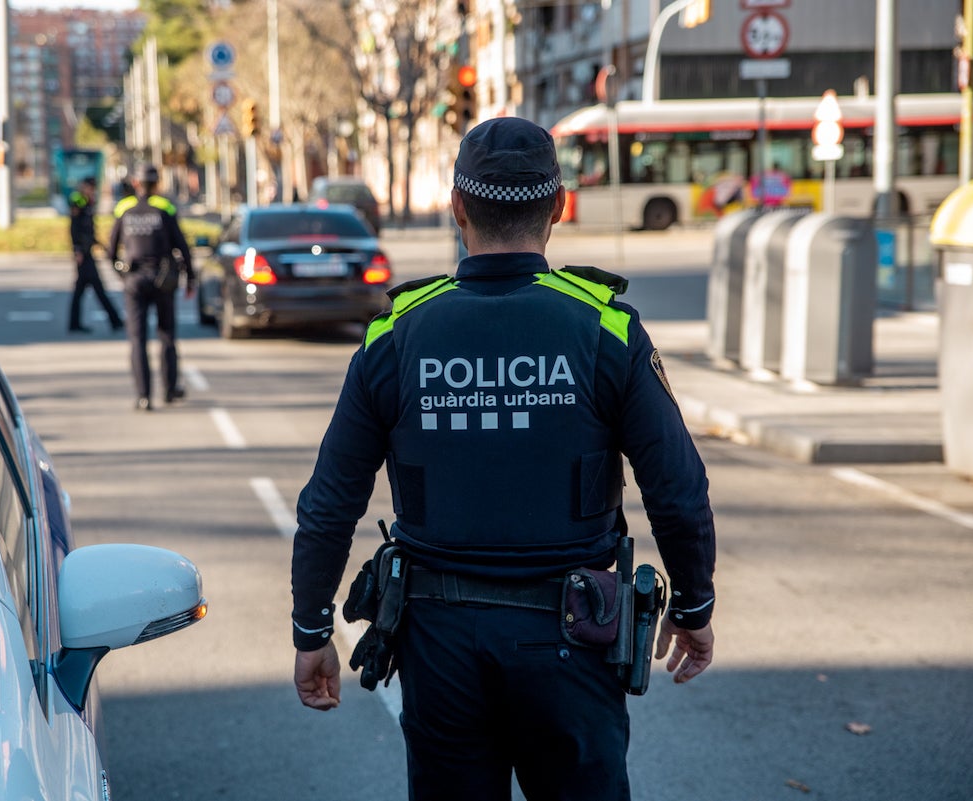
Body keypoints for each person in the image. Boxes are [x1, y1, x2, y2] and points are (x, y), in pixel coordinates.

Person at [290, 117, 716, 801]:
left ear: (457, 207)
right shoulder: (607, 328)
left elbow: (330, 498)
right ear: (558, 207)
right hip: (573, 643)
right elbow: (677, 486)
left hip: (440, 652)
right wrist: (694, 604)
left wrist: (312, 628)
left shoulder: (395, 335)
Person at [107, 164, 195, 412]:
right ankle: (169, 389)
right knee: (166, 336)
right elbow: (182, 246)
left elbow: (110, 251)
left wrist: (122, 275)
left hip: (134, 281)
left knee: (137, 340)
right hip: (163, 280)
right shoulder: (165, 208)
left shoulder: (124, 208)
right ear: (156, 183)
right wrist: (191, 277)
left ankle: (143, 396)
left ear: (137, 183)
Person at [67, 177, 124, 334]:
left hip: (87, 251)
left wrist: (100, 245)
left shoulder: (88, 202)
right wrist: (77, 249)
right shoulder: (78, 201)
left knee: (81, 290)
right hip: (83, 254)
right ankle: (115, 320)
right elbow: (75, 228)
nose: (92, 191)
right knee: (97, 289)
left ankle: (74, 323)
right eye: (90, 188)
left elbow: (89, 229)